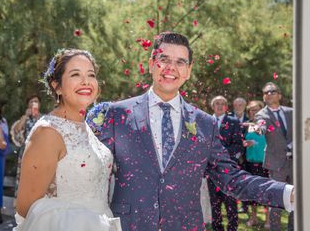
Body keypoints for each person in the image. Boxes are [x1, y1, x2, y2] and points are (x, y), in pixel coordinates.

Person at [87, 32, 294, 231]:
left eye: (180, 62)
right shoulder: (117, 114)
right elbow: (93, 171)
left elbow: (231, 179)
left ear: (188, 70)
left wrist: (287, 192)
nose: (171, 68)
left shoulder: (205, 124)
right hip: (129, 224)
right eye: (164, 59)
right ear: (151, 64)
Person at [14, 49, 121, 231]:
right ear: (57, 86)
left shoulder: (86, 128)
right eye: (75, 74)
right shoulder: (48, 132)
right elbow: (26, 208)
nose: (86, 81)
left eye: (91, 74)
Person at [255, 82, 294, 231]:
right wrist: (259, 128)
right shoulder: (262, 114)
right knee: (277, 200)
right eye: (266, 92)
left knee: (298, 199)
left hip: (295, 164)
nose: (269, 94)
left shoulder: (291, 112)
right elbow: (261, 125)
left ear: (280, 95)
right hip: (276, 165)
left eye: (272, 91)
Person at [207, 95, 244, 231]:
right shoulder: (206, 121)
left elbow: (238, 146)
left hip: (229, 170)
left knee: (231, 203)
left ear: (226, 106)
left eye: (222, 103)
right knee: (215, 203)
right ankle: (217, 228)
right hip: (211, 170)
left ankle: (232, 228)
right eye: (217, 103)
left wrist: (220, 155)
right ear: (212, 106)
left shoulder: (233, 122)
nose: (219, 105)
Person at [242, 100, 270, 228]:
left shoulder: (266, 123)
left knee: (267, 191)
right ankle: (253, 218)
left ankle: (268, 220)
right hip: (250, 164)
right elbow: (242, 141)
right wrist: (245, 144)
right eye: (251, 110)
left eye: (256, 109)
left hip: (266, 163)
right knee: (251, 192)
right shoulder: (247, 125)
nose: (254, 111)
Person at [11, 95, 42, 202]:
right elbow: (16, 132)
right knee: (24, 181)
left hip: (40, 154)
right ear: (28, 105)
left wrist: (38, 118)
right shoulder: (24, 118)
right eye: (32, 102)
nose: (34, 103)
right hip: (26, 153)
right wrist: (25, 116)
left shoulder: (43, 118)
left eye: (36, 101)